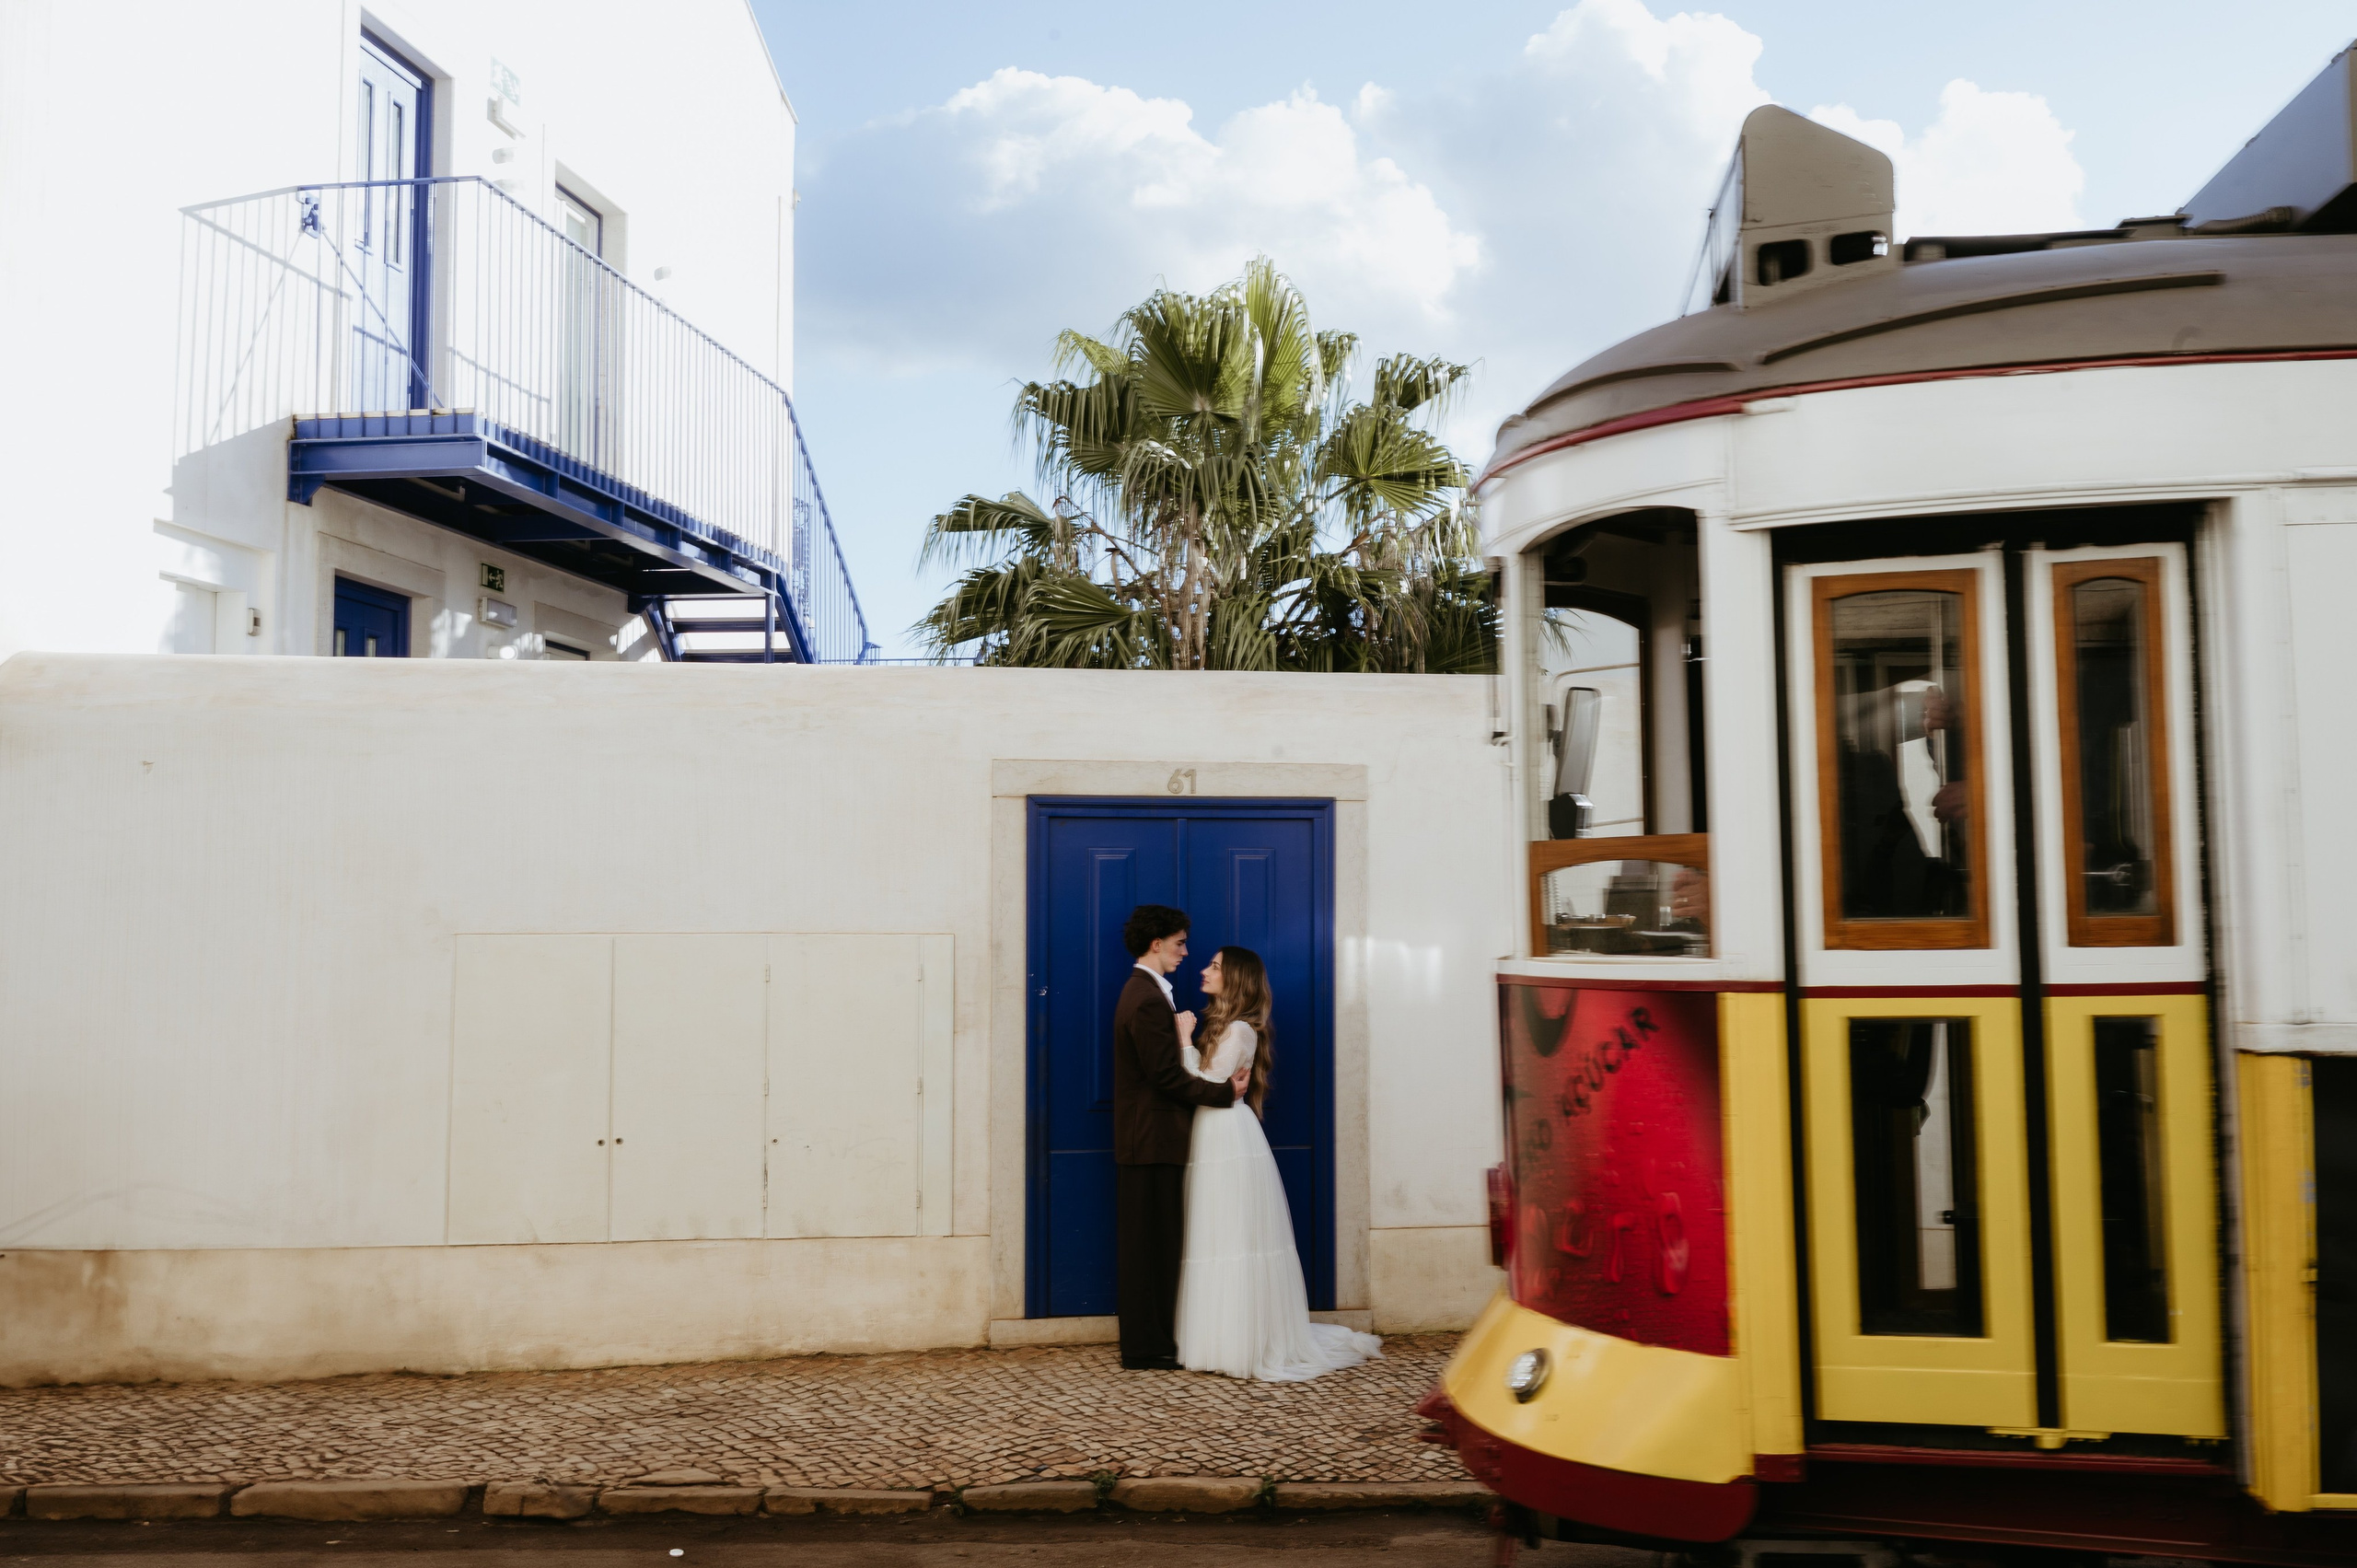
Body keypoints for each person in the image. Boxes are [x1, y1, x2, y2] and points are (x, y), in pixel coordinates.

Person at [1173, 946, 1383, 1381]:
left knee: (1233, 1235)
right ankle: (1221, 1338)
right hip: (1213, 1134)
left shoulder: (1239, 1031)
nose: (1204, 970)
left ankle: (1242, 1343)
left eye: (1215, 966)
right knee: (1216, 1232)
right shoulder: (1224, 1028)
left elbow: (1207, 1085)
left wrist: (1183, 1041)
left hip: (1228, 1135)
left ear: (1236, 979)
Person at [1111, 904, 1250, 1371]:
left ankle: (1152, 1341)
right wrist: (1223, 1093)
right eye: (1180, 943)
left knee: (1154, 1243)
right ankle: (1146, 1348)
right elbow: (1166, 1077)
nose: (1186, 953)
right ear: (1157, 944)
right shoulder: (1146, 997)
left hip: (1151, 1139)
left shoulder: (1147, 993)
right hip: (1150, 1141)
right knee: (1149, 1247)